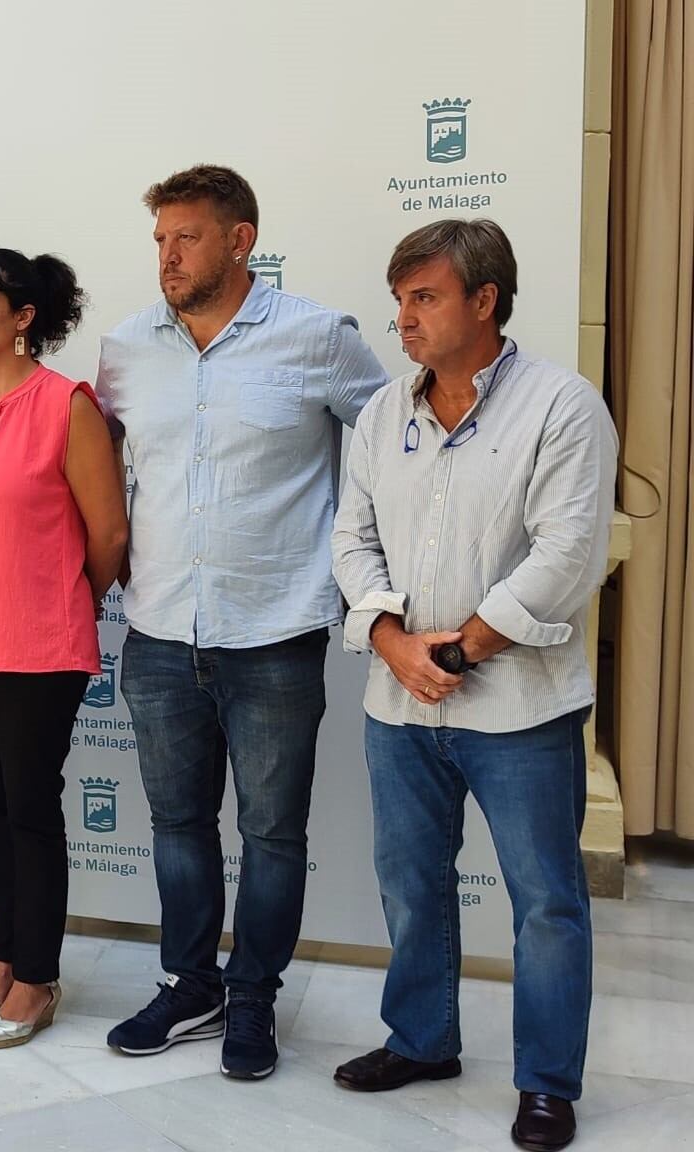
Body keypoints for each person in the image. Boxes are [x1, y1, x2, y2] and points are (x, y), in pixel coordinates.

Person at [94, 165, 388, 1079]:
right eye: (159, 240)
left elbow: (396, 449)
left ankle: (254, 994)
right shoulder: (125, 348)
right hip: (157, 632)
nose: (167, 256)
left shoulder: (320, 337)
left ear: (240, 239)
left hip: (276, 634)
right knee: (177, 824)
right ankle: (192, 986)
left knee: (272, 833)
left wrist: (375, 570)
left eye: (186, 237)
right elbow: (86, 465)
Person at [331, 219, 614, 1152]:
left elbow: (568, 554)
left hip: (521, 708)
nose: (404, 319)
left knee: (546, 901)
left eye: (425, 297)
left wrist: (457, 652)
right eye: (400, 300)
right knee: (412, 884)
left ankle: (547, 1084)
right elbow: (351, 539)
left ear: (485, 300)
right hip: (398, 702)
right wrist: (390, 640)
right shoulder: (384, 413)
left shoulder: (562, 406)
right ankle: (422, 1040)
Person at [0, 248, 127, 1048]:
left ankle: (38, 976)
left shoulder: (66, 405)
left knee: (32, 808)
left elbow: (108, 534)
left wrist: (64, 599)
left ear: (24, 317)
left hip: (38, 644)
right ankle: (8, 957)